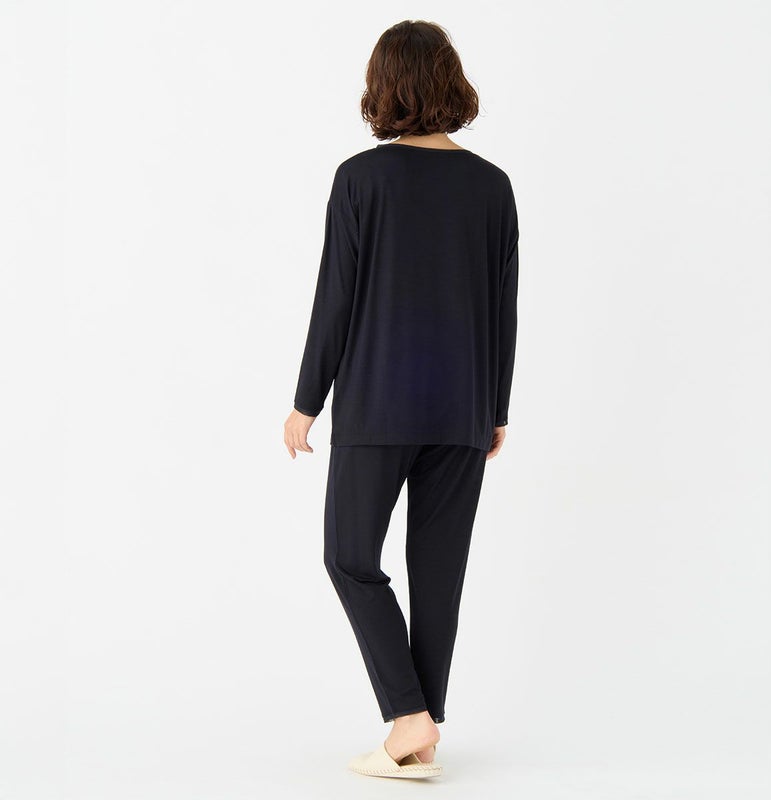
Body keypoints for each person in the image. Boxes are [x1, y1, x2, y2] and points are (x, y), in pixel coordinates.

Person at [284, 19, 519, 779]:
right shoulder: (492, 186)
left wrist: (307, 400)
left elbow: (336, 297)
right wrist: (496, 408)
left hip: (378, 404)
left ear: (382, 86)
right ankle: (419, 730)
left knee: (350, 555)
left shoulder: (361, 178)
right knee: (438, 571)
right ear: (452, 81)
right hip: (462, 409)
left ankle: (411, 720)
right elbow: (504, 307)